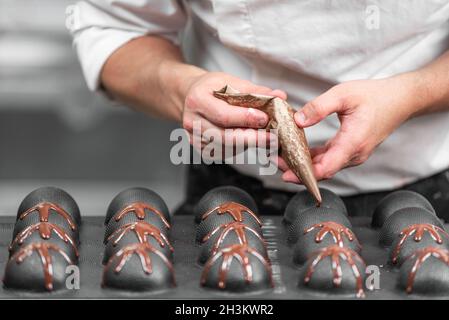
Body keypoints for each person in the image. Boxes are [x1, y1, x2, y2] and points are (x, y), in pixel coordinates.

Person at [70, 1, 449, 218]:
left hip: (425, 192)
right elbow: (117, 28)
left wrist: (412, 93)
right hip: (231, 190)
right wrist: (182, 87)